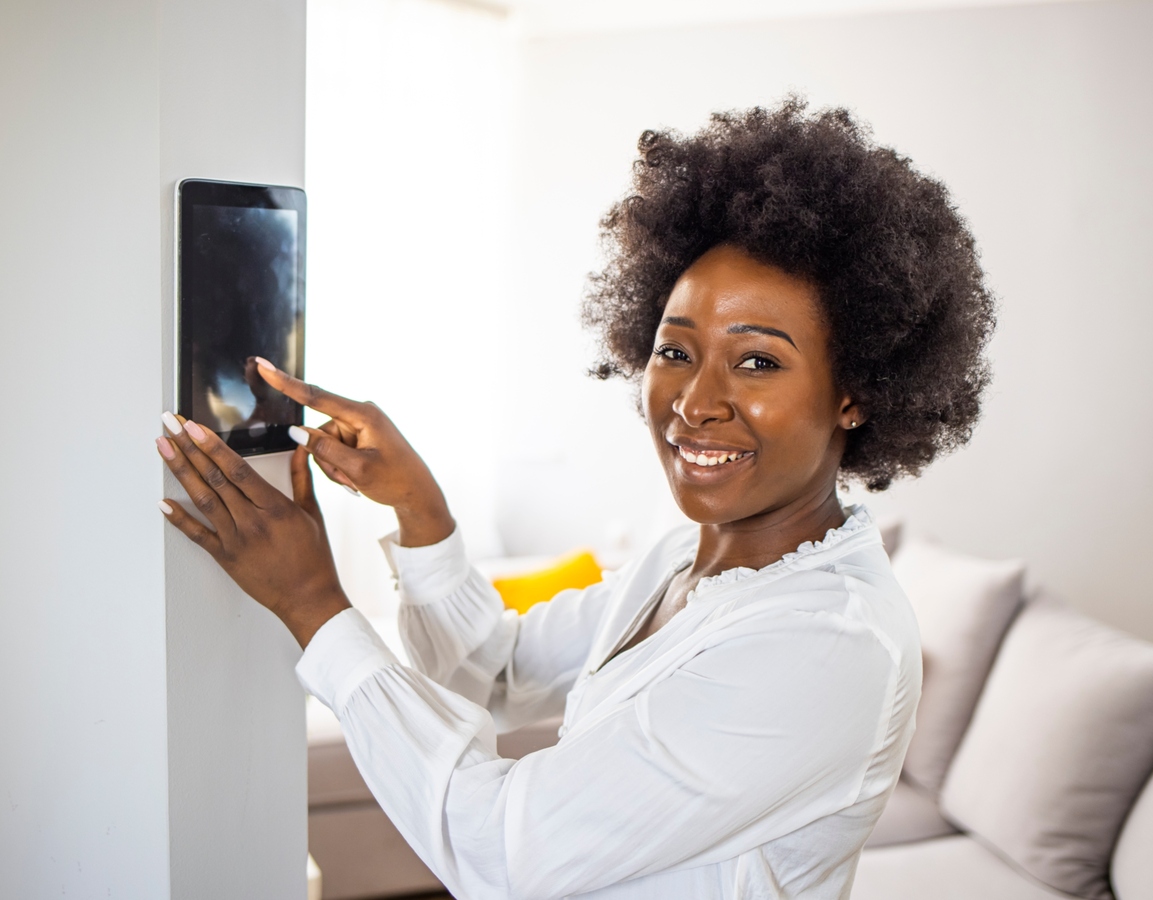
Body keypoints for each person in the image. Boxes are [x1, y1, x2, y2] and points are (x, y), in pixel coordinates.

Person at [155, 97, 994, 899]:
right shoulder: (687, 559)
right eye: (675, 351)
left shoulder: (826, 646)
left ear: (856, 391)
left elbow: (503, 850)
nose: (695, 402)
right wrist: (422, 509)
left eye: (758, 361)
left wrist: (313, 606)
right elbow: (496, 674)